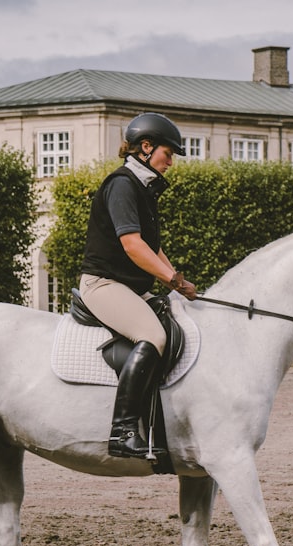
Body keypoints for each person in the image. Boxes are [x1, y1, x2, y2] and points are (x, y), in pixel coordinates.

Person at [78, 113, 197, 459]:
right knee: (154, 336)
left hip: (130, 287)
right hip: (104, 284)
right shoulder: (122, 184)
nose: (171, 162)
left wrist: (177, 283)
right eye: (168, 153)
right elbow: (132, 245)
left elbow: (153, 247)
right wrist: (171, 279)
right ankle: (123, 430)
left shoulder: (144, 189)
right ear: (146, 148)